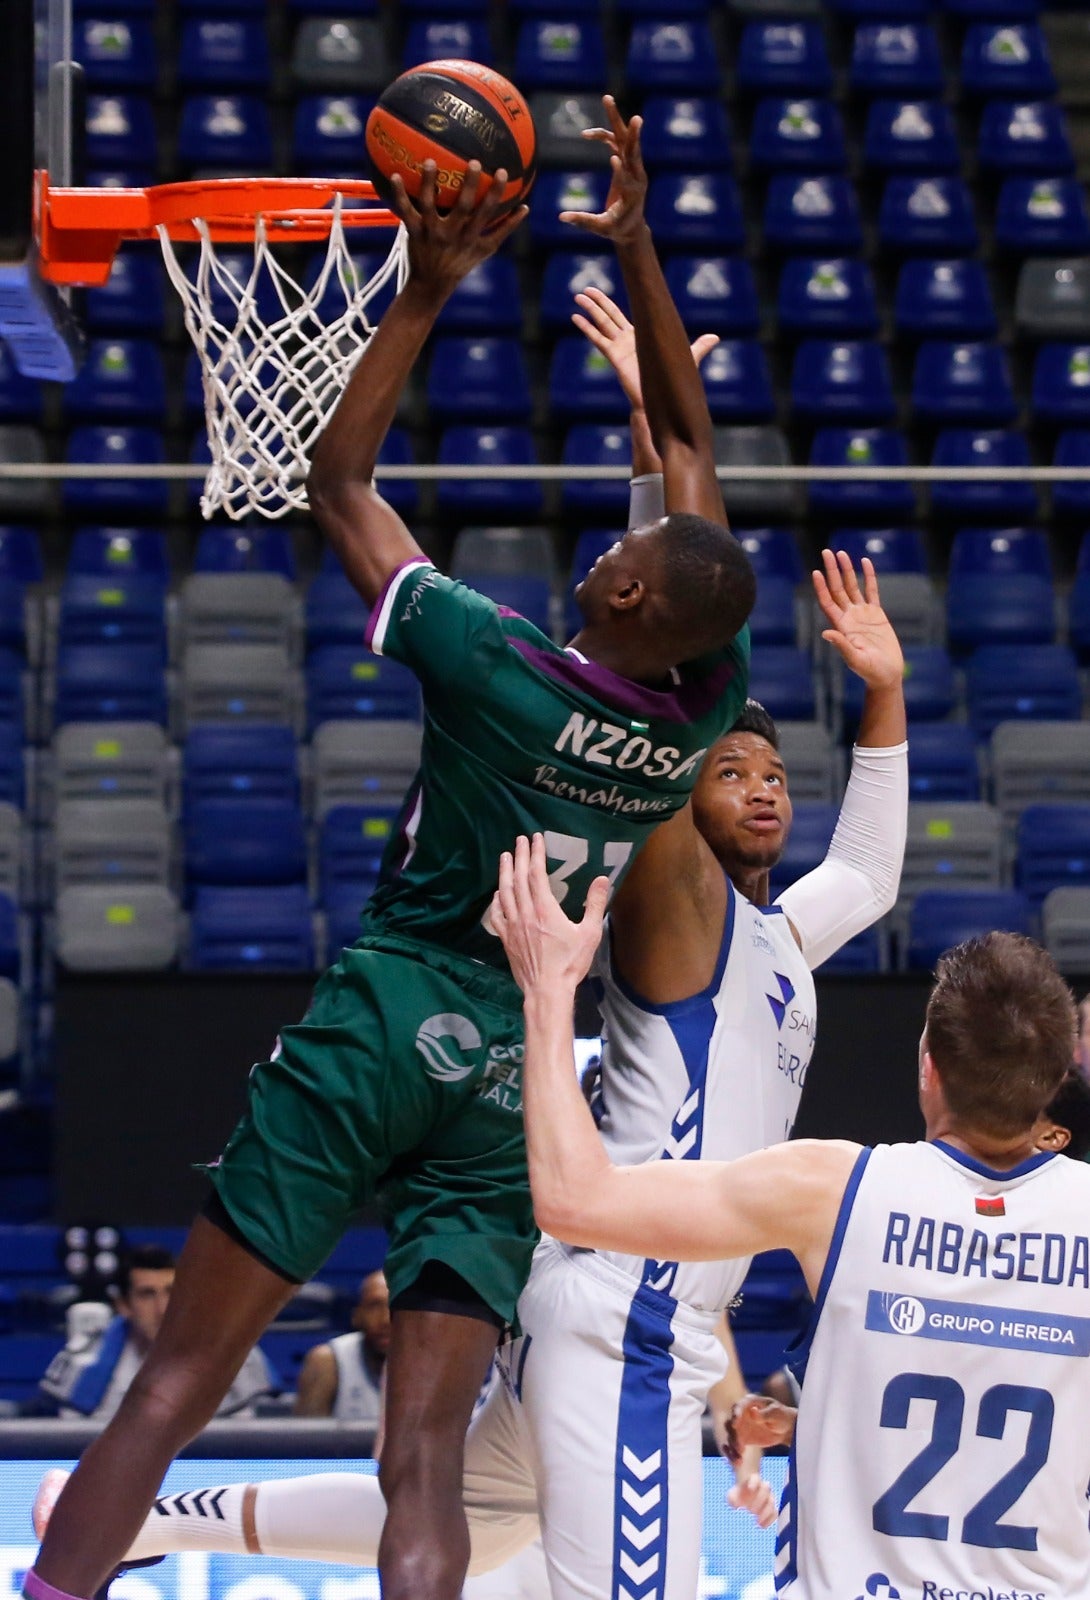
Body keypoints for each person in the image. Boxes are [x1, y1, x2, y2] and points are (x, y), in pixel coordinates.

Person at [26, 98, 755, 1600]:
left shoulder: (492, 660)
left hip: (391, 1007)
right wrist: (641, 251)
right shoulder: (701, 705)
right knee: (417, 1456)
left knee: (172, 1384)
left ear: (624, 608)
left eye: (613, 562)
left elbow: (340, 485)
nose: (602, 552)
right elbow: (689, 458)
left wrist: (425, 284)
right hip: (513, 1068)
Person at [37, 545, 908, 1592]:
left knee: (465, 1515)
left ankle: (171, 1520)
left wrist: (886, 690)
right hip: (614, 1300)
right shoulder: (674, 900)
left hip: (627, 1291)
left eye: (774, 775)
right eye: (729, 770)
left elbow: (864, 871)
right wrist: (666, 466)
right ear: (675, 784)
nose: (762, 790)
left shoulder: (777, 938)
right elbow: (657, 673)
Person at [491, 834, 1090, 1600]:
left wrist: (548, 993)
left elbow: (574, 1200)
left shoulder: (835, 1188)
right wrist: (821, 1426)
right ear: (1056, 1079)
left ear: (927, 1065)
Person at [728, 1063, 1090, 1462]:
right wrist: (805, 1426)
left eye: (1024, 1103)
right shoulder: (924, 1211)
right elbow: (936, 1425)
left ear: (1054, 1136)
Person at [38, 1246, 274, 1422]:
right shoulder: (86, 1361)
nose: (163, 1309)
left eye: (172, 1292)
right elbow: (68, 1446)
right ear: (123, 1305)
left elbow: (243, 1446)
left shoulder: (232, 1354)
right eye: (147, 1294)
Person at [293, 1270, 389, 1422]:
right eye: (374, 1306)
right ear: (356, 1316)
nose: (386, 1320)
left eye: (396, 1306)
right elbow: (304, 1443)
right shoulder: (327, 1361)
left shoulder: (434, 1362)